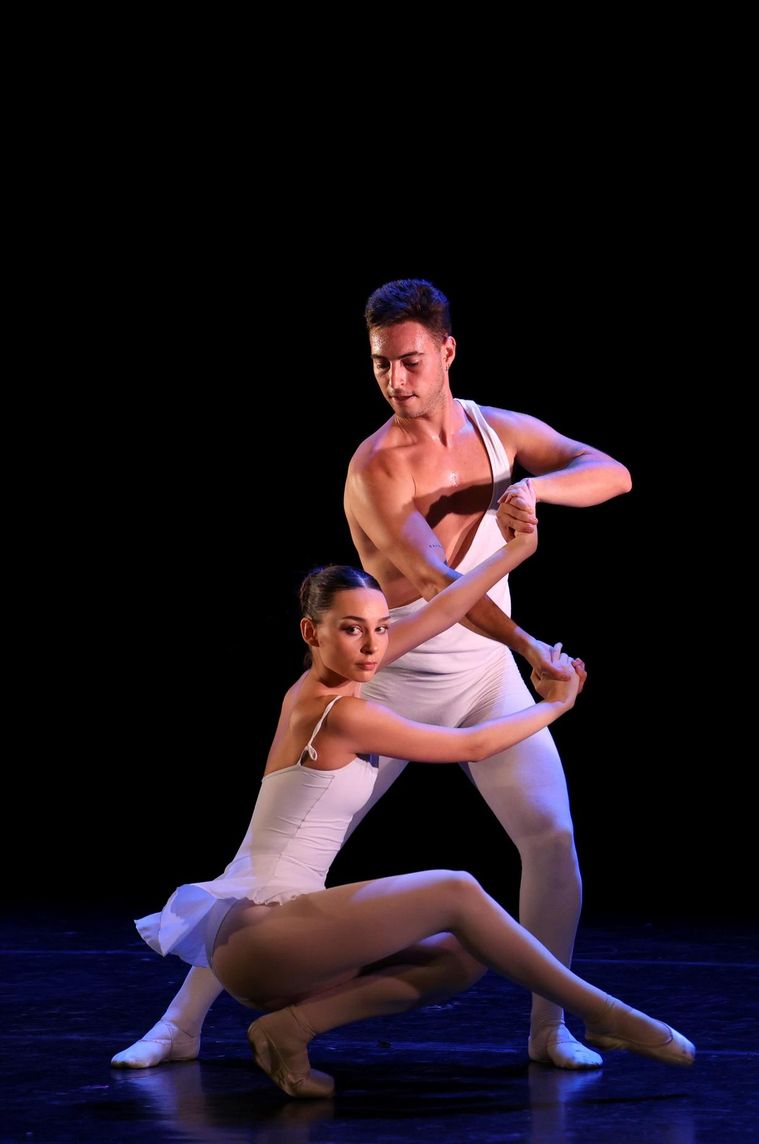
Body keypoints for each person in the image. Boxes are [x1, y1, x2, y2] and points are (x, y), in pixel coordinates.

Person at [114, 278, 633, 1072]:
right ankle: (180, 1024)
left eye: (411, 361)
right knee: (281, 863)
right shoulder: (376, 466)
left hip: (486, 675)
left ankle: (548, 1028)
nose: (397, 379)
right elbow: (438, 588)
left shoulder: (498, 432)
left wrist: (535, 487)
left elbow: (612, 470)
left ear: (447, 353)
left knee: (553, 837)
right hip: (393, 671)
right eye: (382, 365)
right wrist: (532, 646)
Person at [128, 530, 693, 1098]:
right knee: (456, 890)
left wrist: (518, 548)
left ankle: (291, 1029)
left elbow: (445, 608)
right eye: (352, 629)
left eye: (380, 629)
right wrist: (556, 705)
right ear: (311, 632)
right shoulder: (343, 714)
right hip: (261, 941)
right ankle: (603, 1012)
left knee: (462, 954)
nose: (372, 646)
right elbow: (472, 746)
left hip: (278, 942)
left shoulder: (317, 682)